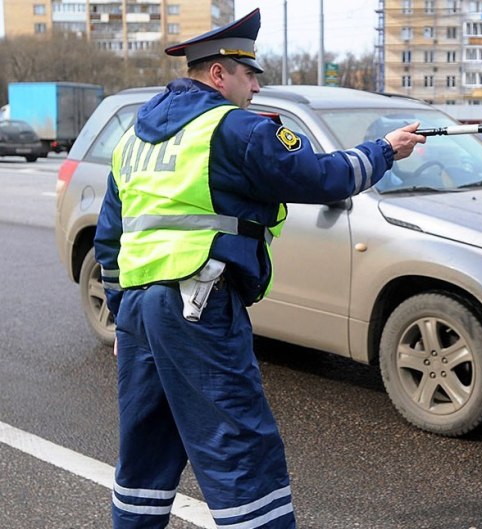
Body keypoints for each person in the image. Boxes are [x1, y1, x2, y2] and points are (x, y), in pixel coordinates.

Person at [94, 7, 425, 529]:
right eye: (250, 76)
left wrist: (118, 316)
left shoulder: (133, 140)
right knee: (238, 444)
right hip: (197, 303)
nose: (255, 88)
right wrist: (386, 149)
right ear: (219, 73)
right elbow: (324, 177)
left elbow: (110, 237)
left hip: (138, 310)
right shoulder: (234, 128)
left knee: (146, 443)